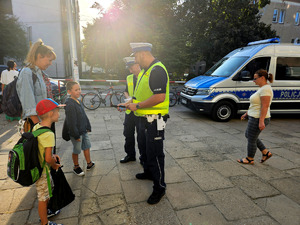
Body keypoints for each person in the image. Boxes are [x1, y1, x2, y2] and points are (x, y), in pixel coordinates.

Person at [121, 43, 169, 204]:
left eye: (135, 56)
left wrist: (138, 105)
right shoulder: (146, 71)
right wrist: (131, 103)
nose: (134, 60)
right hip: (143, 119)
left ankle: (159, 187)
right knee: (145, 149)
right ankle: (148, 172)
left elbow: (159, 97)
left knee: (155, 154)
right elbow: (141, 95)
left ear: (142, 54)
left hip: (154, 120)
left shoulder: (157, 70)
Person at [34, 98, 63, 225]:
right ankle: (45, 222)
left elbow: (41, 147)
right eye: (57, 111)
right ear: (51, 113)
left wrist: (52, 154)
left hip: (37, 166)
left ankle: (47, 212)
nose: (59, 114)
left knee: (45, 194)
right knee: (43, 197)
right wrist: (54, 164)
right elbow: (47, 158)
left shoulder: (36, 127)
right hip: (42, 170)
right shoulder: (49, 134)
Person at [17, 39, 56, 128]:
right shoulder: (27, 73)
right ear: (39, 56)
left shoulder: (40, 73)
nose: (51, 64)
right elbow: (29, 106)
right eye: (49, 60)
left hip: (46, 121)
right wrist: (40, 128)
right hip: (38, 124)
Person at [238, 69, 274, 164]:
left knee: (251, 138)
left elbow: (265, 106)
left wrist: (261, 121)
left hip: (258, 118)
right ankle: (265, 152)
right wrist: (246, 113)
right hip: (254, 116)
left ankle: (250, 158)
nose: (254, 81)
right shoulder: (262, 88)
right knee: (249, 135)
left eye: (255, 79)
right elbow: (255, 104)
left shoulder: (266, 89)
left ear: (262, 78)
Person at [64, 81, 95, 176]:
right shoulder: (70, 105)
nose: (79, 91)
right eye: (76, 90)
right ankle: (76, 166)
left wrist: (88, 126)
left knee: (87, 146)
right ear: (69, 91)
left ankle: (89, 163)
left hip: (83, 130)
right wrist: (75, 134)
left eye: (79, 89)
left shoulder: (78, 101)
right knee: (77, 150)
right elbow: (71, 122)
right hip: (76, 132)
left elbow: (84, 115)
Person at [119, 57, 146, 164]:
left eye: (131, 68)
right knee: (128, 133)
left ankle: (144, 159)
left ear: (137, 65)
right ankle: (130, 155)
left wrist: (132, 101)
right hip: (129, 111)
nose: (130, 71)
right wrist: (128, 100)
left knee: (142, 137)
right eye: (129, 69)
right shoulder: (129, 77)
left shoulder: (146, 76)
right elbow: (126, 91)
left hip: (140, 111)